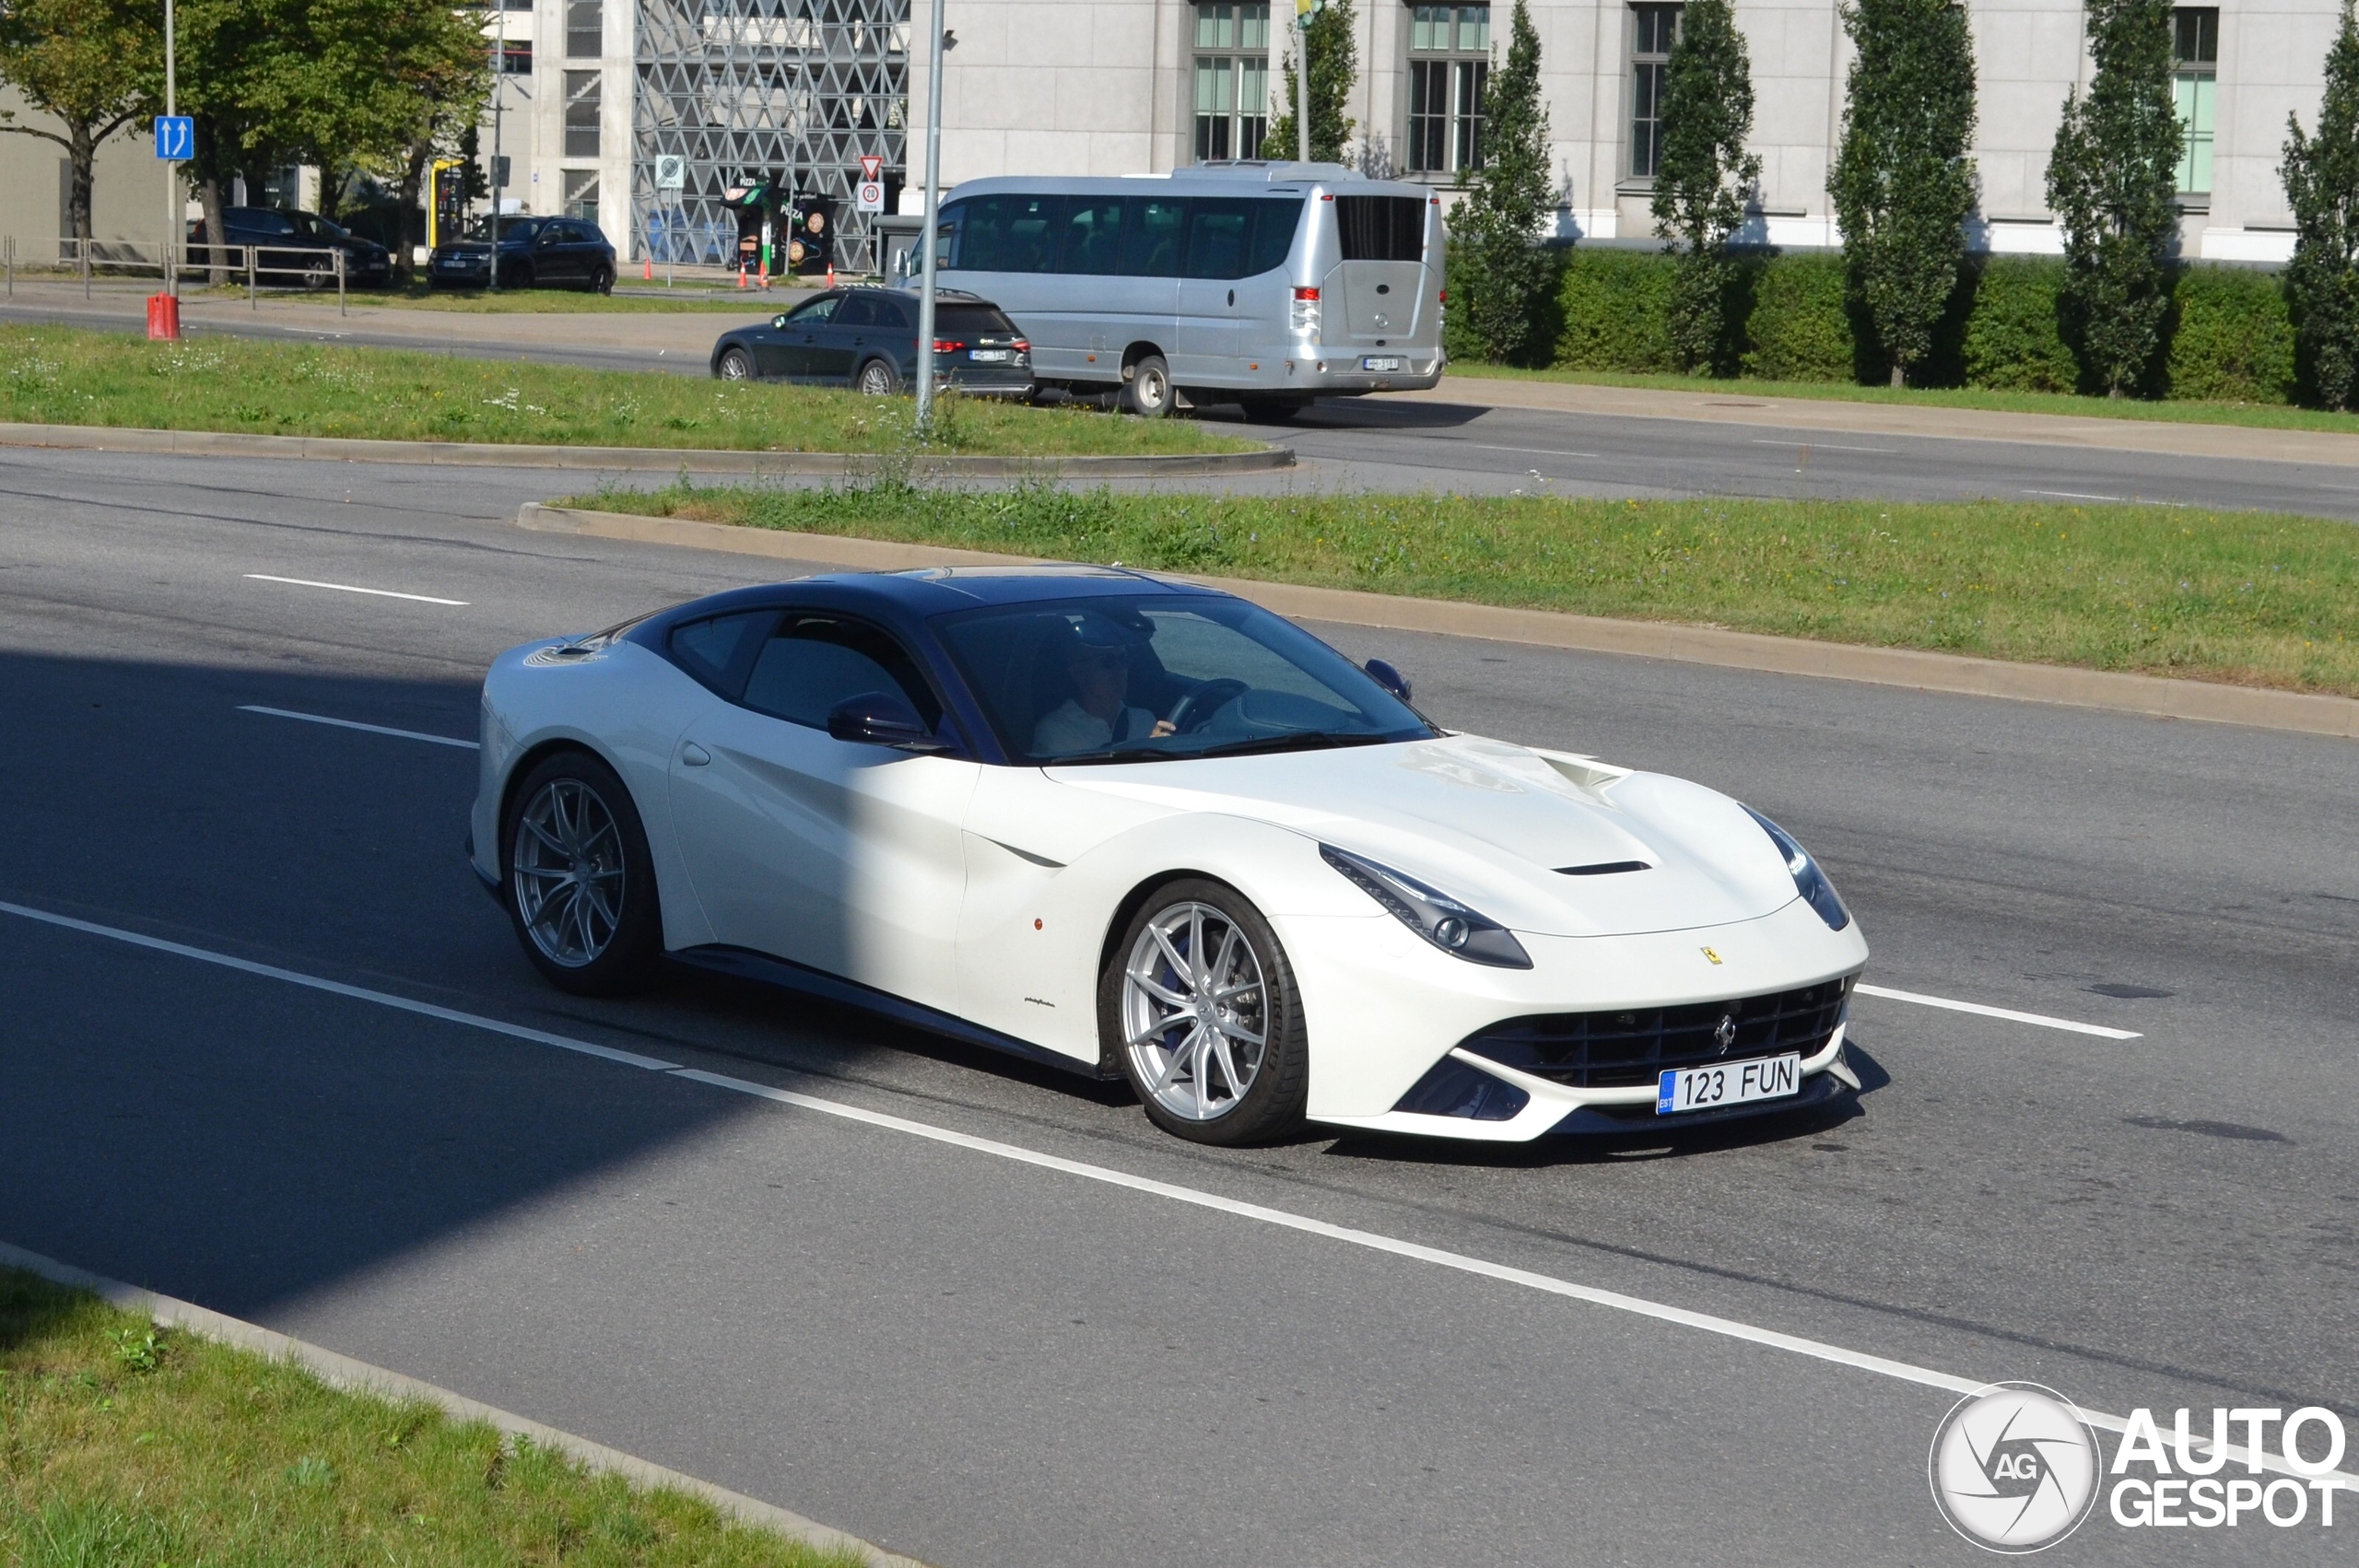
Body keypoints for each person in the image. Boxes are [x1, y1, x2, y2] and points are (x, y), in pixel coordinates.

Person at [1031, 616, 1177, 755]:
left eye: (1123, 659)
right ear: (1078, 673)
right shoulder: (1057, 730)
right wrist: (1147, 754)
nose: (1119, 670)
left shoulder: (1144, 719)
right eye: (1107, 661)